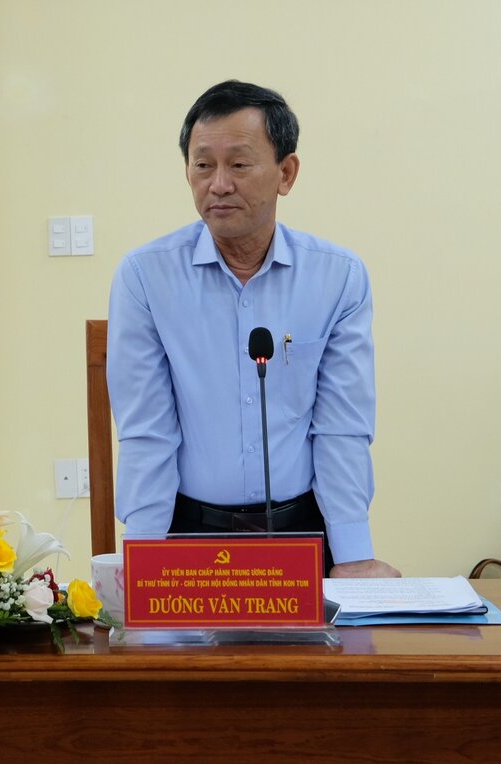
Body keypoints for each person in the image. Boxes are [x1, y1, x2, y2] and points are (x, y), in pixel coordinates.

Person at [106, 80, 398, 578]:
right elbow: (147, 432)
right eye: (203, 165)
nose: (219, 183)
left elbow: (341, 427)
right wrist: (145, 560)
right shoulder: (146, 276)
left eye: (239, 164)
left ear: (286, 173)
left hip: (302, 533)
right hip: (186, 534)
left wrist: (352, 554)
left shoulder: (338, 277)